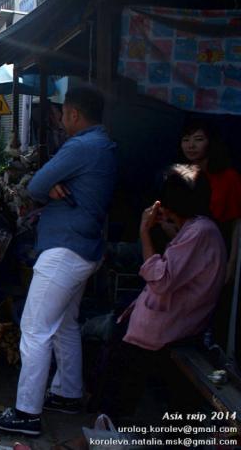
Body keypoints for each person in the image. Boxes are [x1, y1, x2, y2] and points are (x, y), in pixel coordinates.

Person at [0, 85, 117, 436]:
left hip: (64, 249)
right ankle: (68, 393)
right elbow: (47, 184)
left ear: (73, 114)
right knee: (64, 324)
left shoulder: (81, 145)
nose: (60, 120)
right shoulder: (103, 146)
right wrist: (55, 184)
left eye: (62, 114)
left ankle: (27, 412)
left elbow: (37, 184)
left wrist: (51, 184)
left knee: (34, 328)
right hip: (84, 249)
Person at [95, 164, 226, 419]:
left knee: (119, 382)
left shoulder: (200, 231)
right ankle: (99, 432)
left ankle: (95, 437)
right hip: (164, 324)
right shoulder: (197, 228)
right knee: (116, 366)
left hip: (163, 330)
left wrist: (144, 232)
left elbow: (160, 280)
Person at [179, 120, 241, 234]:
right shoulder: (179, 176)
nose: (191, 145)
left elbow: (236, 221)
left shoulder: (229, 177)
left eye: (198, 139)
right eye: (186, 140)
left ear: (211, 142)